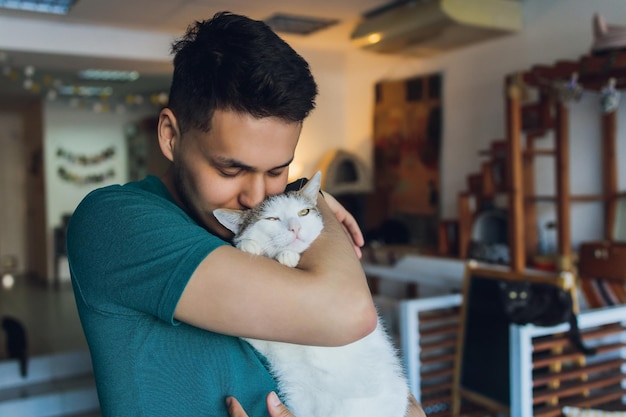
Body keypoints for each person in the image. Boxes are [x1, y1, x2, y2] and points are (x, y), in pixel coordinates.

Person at [67, 11, 426, 417]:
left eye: (277, 171)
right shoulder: (114, 221)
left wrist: (300, 196)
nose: (256, 197)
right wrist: (313, 200)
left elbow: (400, 401)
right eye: (230, 169)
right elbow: (350, 313)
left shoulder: (276, 232)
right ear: (170, 136)